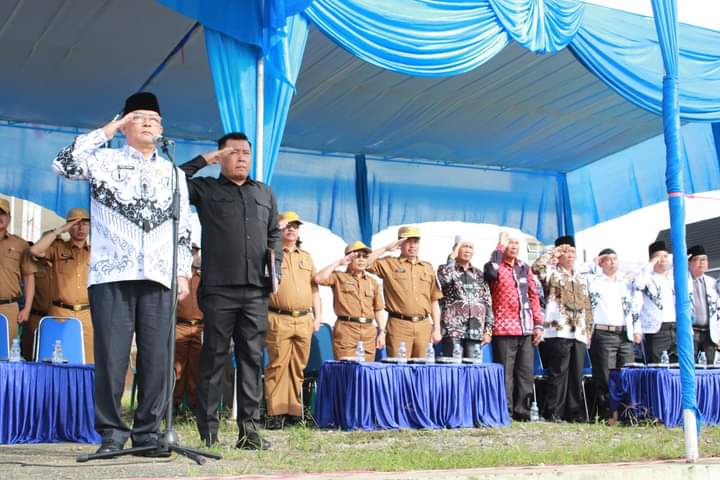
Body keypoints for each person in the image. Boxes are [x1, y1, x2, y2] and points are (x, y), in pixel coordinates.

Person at [52, 92, 194, 455]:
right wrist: (106, 130)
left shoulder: (174, 172)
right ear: (125, 123)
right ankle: (112, 434)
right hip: (111, 275)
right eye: (138, 117)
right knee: (113, 358)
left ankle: (148, 435)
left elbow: (184, 228)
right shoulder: (103, 160)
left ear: (162, 128)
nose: (147, 123)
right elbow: (63, 163)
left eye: (153, 119)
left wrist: (181, 273)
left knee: (157, 359)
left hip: (159, 276)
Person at [179, 132, 282, 450]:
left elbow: (274, 233)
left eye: (245, 153)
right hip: (219, 290)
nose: (241, 157)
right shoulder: (207, 189)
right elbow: (171, 182)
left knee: (251, 359)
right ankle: (208, 432)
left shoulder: (263, 193)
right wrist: (204, 160)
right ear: (221, 157)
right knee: (214, 358)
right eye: (233, 152)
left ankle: (249, 432)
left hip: (255, 291)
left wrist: (274, 266)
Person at [264, 211, 322, 429]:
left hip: (303, 318)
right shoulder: (270, 253)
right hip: (279, 317)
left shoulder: (306, 257)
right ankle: (275, 412)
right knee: (278, 365)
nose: (291, 229)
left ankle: (293, 410)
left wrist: (318, 317)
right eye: (287, 226)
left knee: (297, 366)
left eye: (295, 226)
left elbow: (314, 288)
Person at [484, 231, 543, 421]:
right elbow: (490, 273)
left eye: (517, 244)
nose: (514, 247)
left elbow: (534, 296)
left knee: (525, 373)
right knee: (506, 373)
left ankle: (523, 412)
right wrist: (499, 246)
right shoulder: (495, 265)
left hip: (525, 328)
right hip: (503, 328)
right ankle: (506, 411)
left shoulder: (525, 268)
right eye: (510, 243)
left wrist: (538, 325)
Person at [532, 235, 592, 423]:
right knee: (559, 372)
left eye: (572, 251)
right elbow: (535, 268)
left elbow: (588, 305)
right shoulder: (551, 273)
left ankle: (574, 412)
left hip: (579, 331)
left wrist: (589, 329)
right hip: (558, 330)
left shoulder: (582, 278)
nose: (569, 255)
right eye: (565, 251)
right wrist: (553, 252)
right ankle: (553, 412)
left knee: (576, 373)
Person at [366, 226, 442, 358]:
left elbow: (434, 300)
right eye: (407, 241)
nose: (412, 245)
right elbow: (365, 263)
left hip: (423, 325)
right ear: (400, 243)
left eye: (415, 241)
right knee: (399, 369)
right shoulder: (389, 263)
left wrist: (437, 327)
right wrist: (385, 249)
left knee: (422, 369)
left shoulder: (427, 267)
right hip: (399, 325)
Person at [30, 208, 94, 363]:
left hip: (87, 313)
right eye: (75, 224)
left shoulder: (95, 251)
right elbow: (35, 250)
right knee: (58, 361)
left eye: (85, 224)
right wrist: (59, 230)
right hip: (60, 312)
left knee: (87, 362)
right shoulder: (58, 248)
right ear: (68, 227)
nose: (81, 228)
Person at [586, 248, 642, 419]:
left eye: (615, 259)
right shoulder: (593, 280)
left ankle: (627, 412)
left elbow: (634, 307)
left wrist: (637, 329)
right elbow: (579, 271)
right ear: (601, 262)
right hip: (603, 332)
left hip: (625, 333)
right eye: (608, 259)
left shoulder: (626, 282)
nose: (612, 262)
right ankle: (608, 414)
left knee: (627, 373)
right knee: (604, 375)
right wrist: (592, 262)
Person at [314, 241, 386, 361]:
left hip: (368, 331)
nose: (361, 259)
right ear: (348, 258)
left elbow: (378, 309)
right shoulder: (339, 277)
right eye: (357, 256)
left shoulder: (372, 282)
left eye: (364, 256)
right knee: (346, 371)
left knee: (366, 373)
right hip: (346, 330)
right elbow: (318, 278)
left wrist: (382, 331)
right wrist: (339, 263)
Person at [437, 235, 493, 357]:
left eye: (470, 247)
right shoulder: (445, 269)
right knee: (453, 370)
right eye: (464, 246)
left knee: (473, 371)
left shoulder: (479, 274)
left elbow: (487, 302)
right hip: (452, 330)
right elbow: (445, 279)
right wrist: (452, 256)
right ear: (455, 249)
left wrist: (488, 330)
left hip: (475, 330)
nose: (467, 250)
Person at [0, 197, 36, 348]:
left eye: (2, 213)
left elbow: (29, 277)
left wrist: (27, 308)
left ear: (9, 218)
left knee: (6, 357)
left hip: (9, 308)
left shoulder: (20, 244)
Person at [173, 243, 203, 415]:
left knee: (196, 369)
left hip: (199, 328)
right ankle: (174, 407)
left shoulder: (202, 277)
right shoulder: (175, 276)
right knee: (177, 369)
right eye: (189, 251)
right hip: (180, 325)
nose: (191, 255)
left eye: (194, 252)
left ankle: (193, 407)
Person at [635, 240, 676, 363]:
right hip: (657, 329)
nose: (663, 259)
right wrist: (651, 264)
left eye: (665, 256)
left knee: (678, 367)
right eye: (659, 257)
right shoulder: (647, 277)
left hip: (675, 326)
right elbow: (639, 284)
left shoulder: (673, 277)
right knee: (659, 366)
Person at [23, 231, 54, 360]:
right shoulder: (33, 264)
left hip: (57, 318)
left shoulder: (63, 266)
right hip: (35, 318)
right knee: (31, 357)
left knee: (54, 357)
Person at [687, 245, 720, 363]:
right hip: (691, 331)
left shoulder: (713, 283)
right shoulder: (683, 282)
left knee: (710, 367)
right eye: (697, 260)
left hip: (709, 333)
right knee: (691, 366)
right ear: (689, 263)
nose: (701, 263)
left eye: (704, 260)